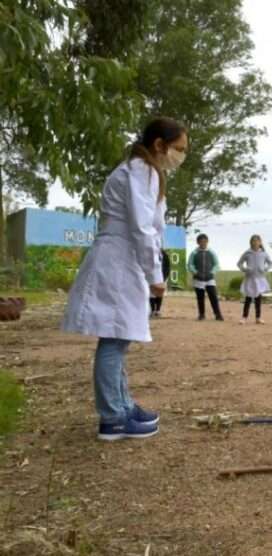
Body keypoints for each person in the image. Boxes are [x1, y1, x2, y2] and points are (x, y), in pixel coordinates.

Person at [62, 117, 188, 440]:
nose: (181, 156)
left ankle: (122, 405)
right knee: (114, 338)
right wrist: (155, 274)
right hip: (119, 260)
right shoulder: (141, 171)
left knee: (119, 337)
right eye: (179, 149)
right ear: (159, 145)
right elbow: (143, 228)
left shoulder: (141, 171)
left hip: (121, 259)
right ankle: (112, 417)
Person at [237, 234, 272, 324]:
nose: (255, 242)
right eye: (253, 241)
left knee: (258, 299)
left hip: (260, 278)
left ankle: (258, 318)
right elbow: (239, 263)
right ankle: (244, 317)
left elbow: (271, 263)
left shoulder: (263, 253)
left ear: (260, 242)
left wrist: (265, 269)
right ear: (251, 242)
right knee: (248, 299)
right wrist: (245, 269)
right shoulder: (247, 253)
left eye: (257, 241)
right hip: (250, 278)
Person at [187, 234, 224, 321]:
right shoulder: (194, 253)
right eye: (201, 241)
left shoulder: (211, 252)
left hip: (209, 278)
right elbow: (190, 264)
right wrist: (195, 272)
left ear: (207, 242)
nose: (203, 243)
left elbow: (216, 264)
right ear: (198, 242)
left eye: (204, 241)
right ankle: (201, 314)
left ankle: (218, 314)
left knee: (213, 296)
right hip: (198, 279)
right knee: (200, 297)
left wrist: (212, 272)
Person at [149, 249, 171, 318]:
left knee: (160, 293)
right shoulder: (150, 252)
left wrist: (165, 276)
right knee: (151, 294)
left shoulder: (164, 254)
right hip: (151, 276)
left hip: (162, 276)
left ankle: (158, 310)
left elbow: (168, 266)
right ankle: (152, 310)